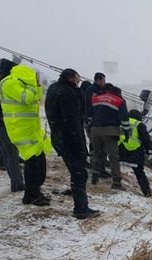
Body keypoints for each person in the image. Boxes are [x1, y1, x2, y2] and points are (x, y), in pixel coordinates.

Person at [45, 68, 100, 219]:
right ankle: (81, 209)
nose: (78, 82)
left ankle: (81, 206)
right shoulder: (68, 93)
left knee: (76, 172)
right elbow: (72, 121)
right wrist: (81, 145)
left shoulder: (53, 89)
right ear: (71, 78)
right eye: (78, 79)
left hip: (59, 137)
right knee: (80, 174)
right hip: (70, 139)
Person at [0, 63, 52, 206]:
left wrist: (37, 85)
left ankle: (35, 191)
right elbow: (27, 98)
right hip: (20, 129)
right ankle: (31, 194)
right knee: (33, 163)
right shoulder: (9, 83)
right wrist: (31, 84)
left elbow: (37, 97)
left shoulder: (21, 83)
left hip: (31, 128)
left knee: (39, 162)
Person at [0, 58, 24, 192]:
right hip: (3, 125)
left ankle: (15, 181)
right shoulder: (6, 84)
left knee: (7, 153)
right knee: (12, 154)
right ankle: (17, 183)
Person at [89, 84, 130, 189]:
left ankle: (94, 178)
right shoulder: (119, 101)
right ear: (118, 93)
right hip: (110, 131)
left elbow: (89, 114)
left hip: (94, 131)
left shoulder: (96, 99)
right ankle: (116, 182)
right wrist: (126, 134)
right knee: (113, 158)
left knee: (97, 154)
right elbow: (124, 120)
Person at [119, 110, 152, 197]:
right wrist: (149, 151)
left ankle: (115, 182)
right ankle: (147, 192)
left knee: (114, 166)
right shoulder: (139, 125)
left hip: (120, 152)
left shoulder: (121, 121)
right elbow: (146, 139)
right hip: (135, 155)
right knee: (139, 173)